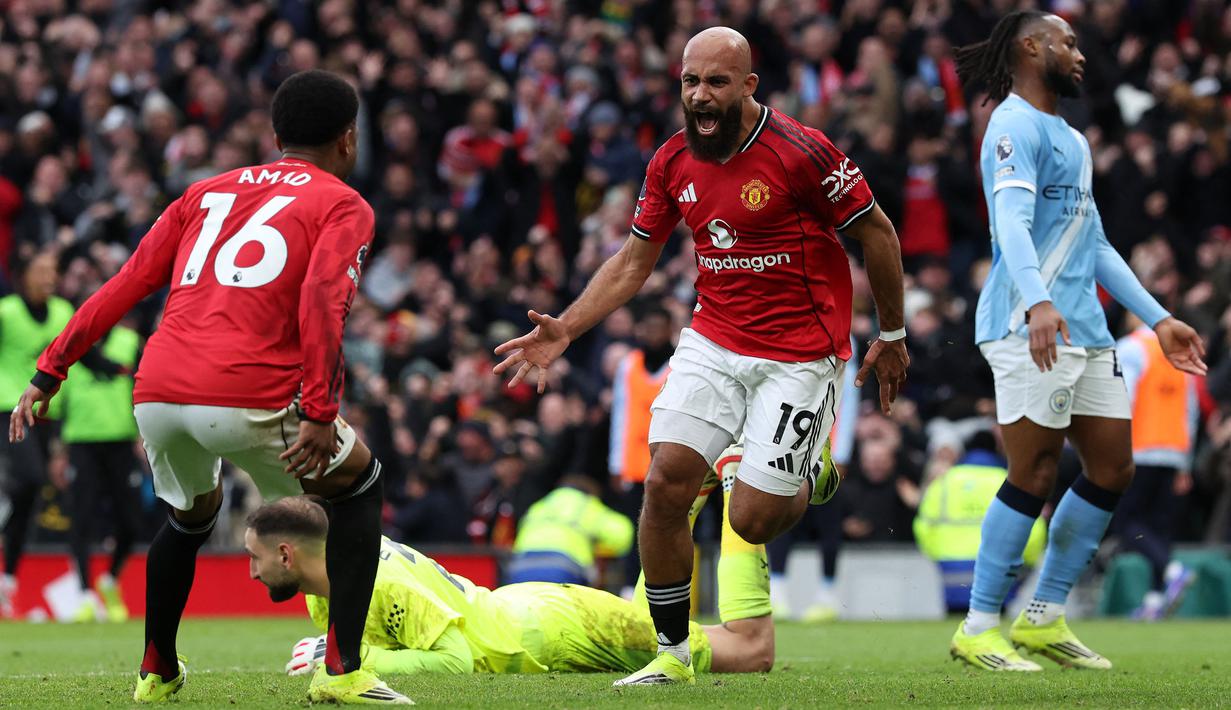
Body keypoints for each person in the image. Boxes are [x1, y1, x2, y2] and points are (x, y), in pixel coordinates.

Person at [494, 26, 908, 686]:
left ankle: (811, 468)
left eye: (716, 82)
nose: (700, 94)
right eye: (690, 81)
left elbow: (878, 233)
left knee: (751, 516)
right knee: (663, 485)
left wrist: (891, 333)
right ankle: (672, 653)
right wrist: (565, 328)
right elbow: (634, 262)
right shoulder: (669, 162)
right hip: (713, 339)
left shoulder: (801, 151)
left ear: (747, 86)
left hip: (801, 353)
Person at [9, 70, 410, 704]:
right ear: (348, 139)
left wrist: (47, 371)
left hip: (160, 391)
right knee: (358, 488)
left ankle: (156, 671)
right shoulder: (342, 203)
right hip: (252, 389)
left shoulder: (204, 192)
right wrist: (320, 408)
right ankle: (343, 672)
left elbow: (127, 283)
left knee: (191, 518)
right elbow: (321, 299)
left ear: (275, 134)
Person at [949, 11, 1207, 672]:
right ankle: (978, 625)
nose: (1079, 55)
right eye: (1067, 42)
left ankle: (1042, 618)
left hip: (1082, 329)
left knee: (1111, 467)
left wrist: (1157, 318)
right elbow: (1008, 219)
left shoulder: (1070, 136)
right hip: (1024, 321)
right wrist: (1036, 300)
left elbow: (1091, 243)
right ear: (1030, 48)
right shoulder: (1010, 125)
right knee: (1032, 472)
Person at [244, 493, 774, 678]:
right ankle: (694, 498)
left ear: (287, 553)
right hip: (518, 612)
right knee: (664, 637)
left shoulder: (379, 579)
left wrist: (350, 662)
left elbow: (453, 662)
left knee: (749, 649)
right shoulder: (325, 590)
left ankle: (731, 491)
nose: (251, 570)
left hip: (552, 630)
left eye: (256, 557)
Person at [0, 251, 73, 617]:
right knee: (28, 480)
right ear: (23, 276)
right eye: (41, 270)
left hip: (48, 414)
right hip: (9, 409)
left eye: (53, 270)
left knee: (31, 494)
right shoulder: (7, 312)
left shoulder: (63, 311)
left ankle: (8, 579)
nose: (49, 277)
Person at [1113, 313, 1199, 620]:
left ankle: (1173, 571)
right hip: (1173, 450)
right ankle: (1153, 601)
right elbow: (1190, 410)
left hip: (1139, 449)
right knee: (1158, 529)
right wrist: (1185, 463)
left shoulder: (1131, 347)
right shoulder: (1177, 350)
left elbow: (1123, 397)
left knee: (1126, 524)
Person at [60, 316, 145, 623]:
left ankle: (108, 581)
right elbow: (60, 396)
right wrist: (58, 449)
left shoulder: (129, 343)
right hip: (81, 443)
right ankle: (83, 594)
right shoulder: (73, 344)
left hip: (121, 442)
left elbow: (144, 389)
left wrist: (143, 434)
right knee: (80, 518)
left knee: (133, 523)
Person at [913, 429, 1046, 613]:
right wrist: (1023, 563)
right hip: (997, 571)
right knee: (991, 624)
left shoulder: (944, 482)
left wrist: (940, 555)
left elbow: (923, 525)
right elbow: (1034, 531)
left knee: (954, 627)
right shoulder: (1009, 482)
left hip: (952, 570)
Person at [506, 474, 633, 586]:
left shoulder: (540, 505)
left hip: (520, 567)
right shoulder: (587, 503)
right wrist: (597, 548)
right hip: (564, 569)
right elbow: (623, 535)